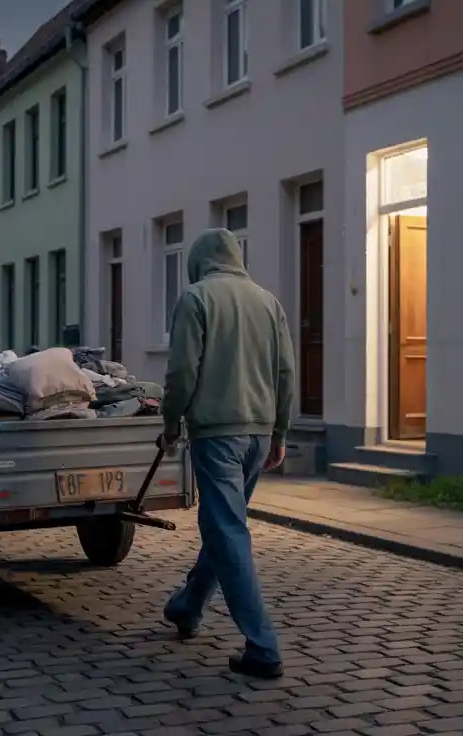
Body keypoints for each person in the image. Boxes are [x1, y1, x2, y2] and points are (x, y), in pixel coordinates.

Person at [157, 227, 296, 680]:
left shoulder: (195, 299)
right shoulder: (268, 301)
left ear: (197, 262)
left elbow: (181, 370)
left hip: (217, 433)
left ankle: (263, 647)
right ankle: (187, 605)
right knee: (226, 527)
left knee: (227, 531)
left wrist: (171, 420)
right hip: (257, 433)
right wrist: (279, 432)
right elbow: (285, 373)